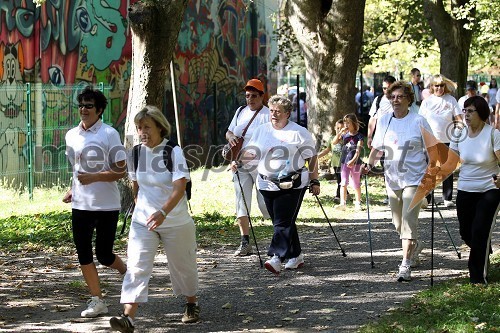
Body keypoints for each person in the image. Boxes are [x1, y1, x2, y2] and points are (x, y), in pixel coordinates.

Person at [109, 106, 199, 332]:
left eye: (147, 127)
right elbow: (135, 184)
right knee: (137, 265)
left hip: (175, 220)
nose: (142, 132)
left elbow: (180, 187)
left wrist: (163, 212)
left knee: (183, 266)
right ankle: (128, 318)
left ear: (160, 127)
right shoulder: (136, 153)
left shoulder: (172, 151)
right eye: (139, 128)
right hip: (143, 221)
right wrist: (141, 205)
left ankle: (191, 303)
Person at [363, 80, 438, 282]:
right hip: (392, 178)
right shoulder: (385, 120)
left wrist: (432, 174)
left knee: (407, 221)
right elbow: (377, 149)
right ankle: (416, 244)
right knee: (398, 223)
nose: (395, 100)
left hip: (415, 179)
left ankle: (405, 264)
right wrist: (368, 165)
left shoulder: (419, 121)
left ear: (409, 99)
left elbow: (433, 152)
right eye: (392, 97)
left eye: (400, 97)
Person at [63, 86, 127, 318]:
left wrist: (95, 177)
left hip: (107, 205)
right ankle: (97, 300)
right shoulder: (71, 135)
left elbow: (121, 170)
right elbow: (76, 167)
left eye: (89, 106)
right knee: (83, 253)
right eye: (81, 105)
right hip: (80, 205)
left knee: (104, 254)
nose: (83, 109)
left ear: (99, 110)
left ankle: (127, 274)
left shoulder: (109, 134)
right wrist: (73, 189)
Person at [240, 94, 320, 275]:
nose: (274, 114)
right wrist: (238, 160)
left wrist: (315, 180)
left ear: (287, 113)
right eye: (272, 111)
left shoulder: (298, 132)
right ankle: (296, 255)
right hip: (266, 184)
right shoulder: (262, 130)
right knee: (282, 221)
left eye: (278, 112)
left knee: (282, 221)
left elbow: (311, 157)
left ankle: (276, 257)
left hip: (292, 184)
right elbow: (252, 152)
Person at [433, 96, 500, 285]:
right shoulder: (458, 134)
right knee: (465, 232)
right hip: (465, 188)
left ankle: (478, 278)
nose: (466, 115)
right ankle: (483, 250)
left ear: (482, 114)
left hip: (489, 189)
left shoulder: (492, 134)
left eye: (471, 111)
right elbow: (451, 163)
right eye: (465, 111)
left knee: (480, 230)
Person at [225, 78, 271, 256]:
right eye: (247, 96)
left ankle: (280, 237)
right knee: (241, 202)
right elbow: (229, 131)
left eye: (254, 96)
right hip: (239, 165)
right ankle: (245, 242)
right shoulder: (240, 111)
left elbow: (268, 141)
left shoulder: (268, 114)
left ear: (262, 96)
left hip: (262, 166)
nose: (250, 99)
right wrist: (230, 138)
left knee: (265, 203)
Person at [419, 74, 462, 208]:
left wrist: (457, 133)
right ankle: (427, 197)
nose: (439, 88)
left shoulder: (451, 100)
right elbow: (420, 122)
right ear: (431, 87)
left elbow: (459, 120)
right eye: (436, 85)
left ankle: (447, 197)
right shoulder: (427, 102)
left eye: (441, 85)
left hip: (448, 140)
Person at [331, 113, 364, 211]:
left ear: (354, 123)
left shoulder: (359, 136)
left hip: (356, 163)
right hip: (344, 162)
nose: (346, 125)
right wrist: (339, 132)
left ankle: (358, 202)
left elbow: (358, 150)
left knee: (356, 183)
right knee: (343, 183)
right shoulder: (345, 135)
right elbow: (334, 142)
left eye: (348, 123)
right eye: (345, 122)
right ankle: (343, 203)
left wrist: (353, 160)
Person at [318, 119, 345, 202]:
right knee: (340, 180)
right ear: (334, 128)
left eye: (341, 128)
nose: (339, 130)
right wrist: (317, 156)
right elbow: (327, 150)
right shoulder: (332, 138)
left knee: (341, 180)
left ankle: (338, 196)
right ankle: (346, 193)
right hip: (335, 163)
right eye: (337, 128)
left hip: (344, 163)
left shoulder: (346, 139)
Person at [367, 75, 397, 148]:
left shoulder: (401, 100)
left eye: (389, 88)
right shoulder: (378, 100)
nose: (386, 90)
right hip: (381, 140)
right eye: (384, 88)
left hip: (396, 139)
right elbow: (373, 119)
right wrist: (369, 136)